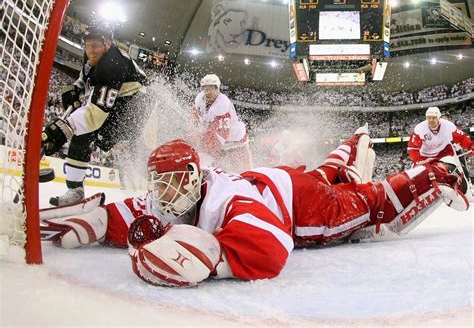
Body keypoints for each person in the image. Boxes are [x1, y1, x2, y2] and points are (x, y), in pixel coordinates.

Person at [40, 127, 469, 287]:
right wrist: (96, 220)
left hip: (303, 207)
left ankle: (441, 169)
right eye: (158, 184)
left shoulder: (229, 199)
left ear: (191, 179)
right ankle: (350, 144)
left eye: (169, 184)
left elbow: (272, 244)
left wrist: (215, 256)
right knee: (327, 171)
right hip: (279, 180)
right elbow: (135, 210)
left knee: (371, 202)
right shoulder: (180, 189)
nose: (161, 194)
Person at [41, 24, 149, 206]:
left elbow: (94, 116)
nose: (90, 50)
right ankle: (74, 190)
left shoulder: (112, 65)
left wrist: (63, 129)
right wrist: (76, 88)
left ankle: (155, 178)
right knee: (82, 134)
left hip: (134, 107)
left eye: (95, 46)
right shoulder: (93, 55)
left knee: (88, 132)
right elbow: (85, 76)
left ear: (108, 44)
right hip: (121, 100)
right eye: (87, 45)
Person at [190, 74, 252, 172]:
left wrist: (208, 150)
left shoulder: (223, 106)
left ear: (217, 89)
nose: (207, 92)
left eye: (211, 89)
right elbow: (194, 118)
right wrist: (193, 134)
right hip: (218, 138)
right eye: (205, 89)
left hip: (235, 142)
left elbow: (223, 134)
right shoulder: (200, 100)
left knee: (241, 171)